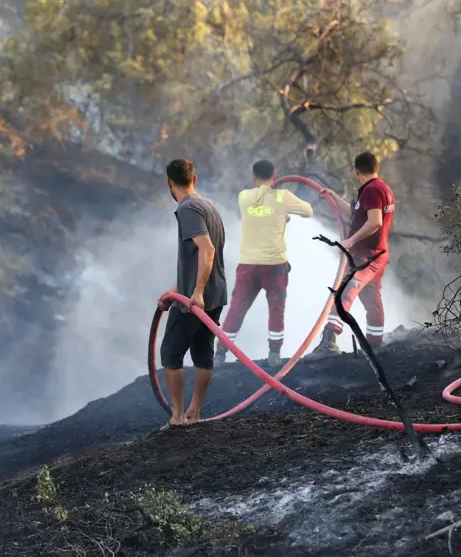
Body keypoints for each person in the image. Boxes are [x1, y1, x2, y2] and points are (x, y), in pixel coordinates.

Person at [215, 160, 314, 369]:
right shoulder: (282, 196)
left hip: (248, 265)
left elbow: (261, 214)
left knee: (236, 309)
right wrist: (283, 213)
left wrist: (278, 215)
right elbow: (308, 211)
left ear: (254, 177)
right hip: (274, 266)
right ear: (274, 175)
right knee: (276, 309)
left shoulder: (244, 197)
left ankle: (220, 354)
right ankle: (274, 354)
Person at [157, 158, 228, 425]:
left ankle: (177, 417)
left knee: (171, 353)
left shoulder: (187, 208)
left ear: (169, 183)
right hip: (215, 293)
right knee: (202, 351)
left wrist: (195, 292)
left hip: (196, 298)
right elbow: (199, 256)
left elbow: (207, 250)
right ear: (194, 180)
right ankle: (194, 412)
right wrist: (175, 289)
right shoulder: (209, 206)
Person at [308, 151, 395, 358]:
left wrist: (350, 241)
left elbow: (375, 222)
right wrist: (334, 197)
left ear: (356, 171)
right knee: (371, 299)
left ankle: (329, 342)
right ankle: (374, 344)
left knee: (344, 292)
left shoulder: (373, 190)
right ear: (377, 167)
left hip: (365, 257)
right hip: (376, 255)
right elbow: (356, 214)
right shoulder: (379, 189)